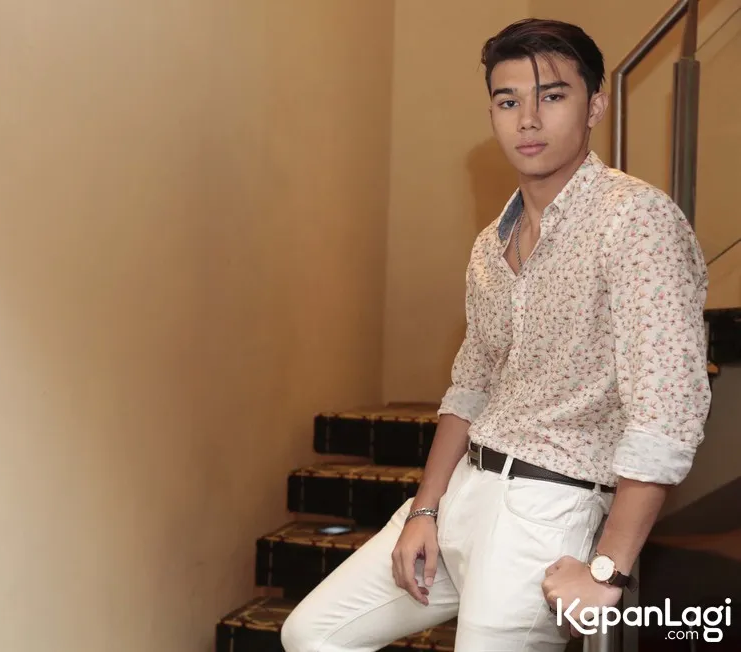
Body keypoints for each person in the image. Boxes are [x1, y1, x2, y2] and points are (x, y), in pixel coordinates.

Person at [280, 17, 711, 652]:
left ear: (595, 106)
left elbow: (667, 412)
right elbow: (471, 385)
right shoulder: (491, 244)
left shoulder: (635, 219)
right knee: (312, 634)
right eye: (508, 102)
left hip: (547, 508)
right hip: (464, 489)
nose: (528, 120)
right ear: (492, 115)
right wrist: (426, 508)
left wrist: (608, 569)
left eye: (552, 96)